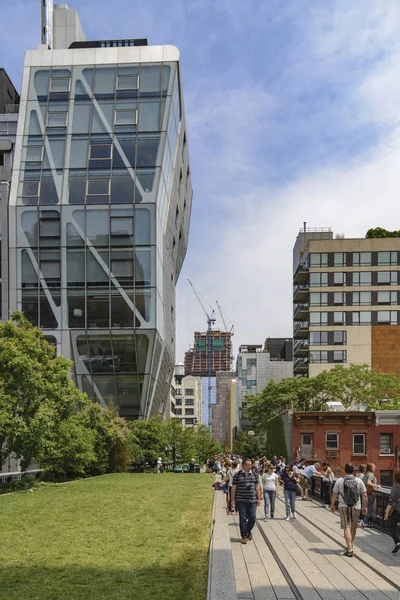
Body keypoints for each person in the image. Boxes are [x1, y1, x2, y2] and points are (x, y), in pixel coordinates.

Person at [330, 463, 367, 557]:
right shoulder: (358, 480)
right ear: (354, 471)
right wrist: (365, 507)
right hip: (356, 506)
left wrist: (332, 504)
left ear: (345, 470)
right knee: (353, 527)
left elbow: (334, 494)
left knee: (346, 526)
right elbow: (364, 494)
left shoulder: (340, 480)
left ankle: (349, 548)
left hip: (343, 506)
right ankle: (351, 544)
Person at [231, 459, 261, 544]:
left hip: (252, 500)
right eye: (248, 465)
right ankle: (244, 536)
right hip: (241, 499)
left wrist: (258, 498)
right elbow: (233, 488)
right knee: (243, 518)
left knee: (252, 517)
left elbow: (257, 487)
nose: (250, 466)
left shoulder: (255, 475)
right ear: (243, 466)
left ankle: (248, 530)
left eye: (251, 465)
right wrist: (232, 500)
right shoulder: (237, 475)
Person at [384, 472, 400, 553]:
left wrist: (386, 512)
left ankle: (397, 542)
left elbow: (391, 502)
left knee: (391, 526)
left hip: (398, 511)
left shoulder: (394, 488)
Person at [362, 463, 379, 528]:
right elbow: (368, 483)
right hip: (370, 493)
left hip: (365, 493)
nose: (374, 468)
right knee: (369, 508)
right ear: (371, 468)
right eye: (373, 467)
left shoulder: (365, 474)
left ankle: (364, 521)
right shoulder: (370, 474)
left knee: (365, 507)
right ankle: (365, 522)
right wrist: (376, 486)